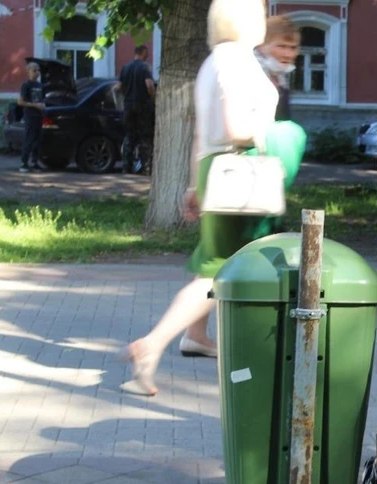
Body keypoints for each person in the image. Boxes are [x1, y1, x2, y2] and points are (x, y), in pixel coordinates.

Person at [120, 0, 307, 396]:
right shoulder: (238, 62)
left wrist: (193, 186)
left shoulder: (212, 62)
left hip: (213, 169)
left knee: (214, 260)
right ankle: (151, 346)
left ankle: (196, 336)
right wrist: (273, 135)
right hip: (239, 173)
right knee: (219, 271)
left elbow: (200, 134)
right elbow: (236, 127)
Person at [118, 45, 156, 174]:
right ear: (143, 53)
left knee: (129, 136)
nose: (148, 56)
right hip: (143, 105)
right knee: (145, 136)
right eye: (147, 53)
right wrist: (153, 98)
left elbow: (119, 87)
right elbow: (149, 85)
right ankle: (146, 167)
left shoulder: (126, 67)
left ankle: (126, 167)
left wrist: (126, 96)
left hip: (128, 106)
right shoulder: (145, 67)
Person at [255, 15, 299, 122]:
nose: (288, 54)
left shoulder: (280, 76)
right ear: (262, 46)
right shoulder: (250, 73)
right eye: (281, 46)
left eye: (293, 48)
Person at [17, 62, 44, 173]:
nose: (37, 72)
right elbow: (20, 102)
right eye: (34, 70)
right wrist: (34, 105)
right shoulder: (26, 85)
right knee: (29, 139)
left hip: (39, 115)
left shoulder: (40, 85)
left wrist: (43, 104)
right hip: (30, 115)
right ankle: (24, 163)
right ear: (28, 71)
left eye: (38, 70)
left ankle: (34, 162)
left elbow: (41, 99)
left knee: (37, 140)